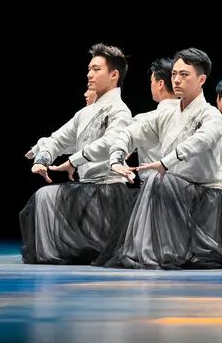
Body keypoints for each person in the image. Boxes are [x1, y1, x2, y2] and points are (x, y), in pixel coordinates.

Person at [102, 48, 222, 269]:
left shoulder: (211, 115)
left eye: (184, 75)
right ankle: (150, 251)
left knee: (158, 179)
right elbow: (131, 133)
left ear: (201, 79)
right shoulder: (166, 113)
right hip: (171, 189)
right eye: (174, 74)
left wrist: (165, 163)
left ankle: (157, 251)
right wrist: (116, 158)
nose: (177, 80)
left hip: (201, 196)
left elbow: (201, 140)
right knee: (158, 180)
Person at [19, 43, 136, 264]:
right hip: (87, 188)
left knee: (46, 197)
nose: (89, 74)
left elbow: (110, 142)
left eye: (96, 69)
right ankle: (61, 252)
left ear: (114, 75)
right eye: (89, 69)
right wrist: (43, 159)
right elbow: (57, 139)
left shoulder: (120, 110)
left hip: (108, 189)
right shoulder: (84, 113)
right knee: (44, 196)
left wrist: (74, 160)